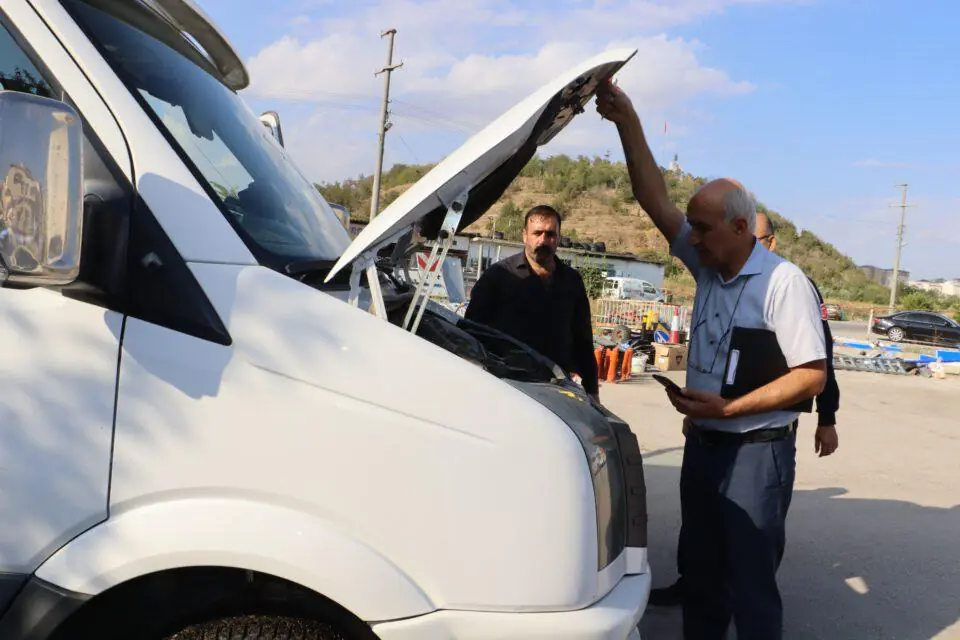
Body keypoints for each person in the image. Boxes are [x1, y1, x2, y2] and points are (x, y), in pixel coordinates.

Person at [597, 80, 827, 640]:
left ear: (741, 229)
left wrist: (730, 409)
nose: (690, 238)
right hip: (704, 445)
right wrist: (628, 120)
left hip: (754, 454)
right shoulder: (707, 266)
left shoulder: (783, 284)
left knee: (749, 584)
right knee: (700, 577)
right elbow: (654, 200)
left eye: (701, 228)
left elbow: (812, 375)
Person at [646, 211, 841, 609]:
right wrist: (700, 410)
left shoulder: (791, 286)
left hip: (757, 437)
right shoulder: (715, 278)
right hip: (709, 433)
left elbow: (819, 365)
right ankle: (693, 584)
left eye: (759, 238)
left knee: (751, 558)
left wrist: (827, 417)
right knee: (702, 543)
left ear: (769, 243)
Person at [465, 204, 600, 402]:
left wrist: (592, 392)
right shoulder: (499, 276)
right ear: (524, 235)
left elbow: (583, 341)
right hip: (509, 387)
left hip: (559, 390)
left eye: (550, 234)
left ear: (559, 237)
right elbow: (471, 332)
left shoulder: (572, 281)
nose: (543, 240)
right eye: (537, 233)